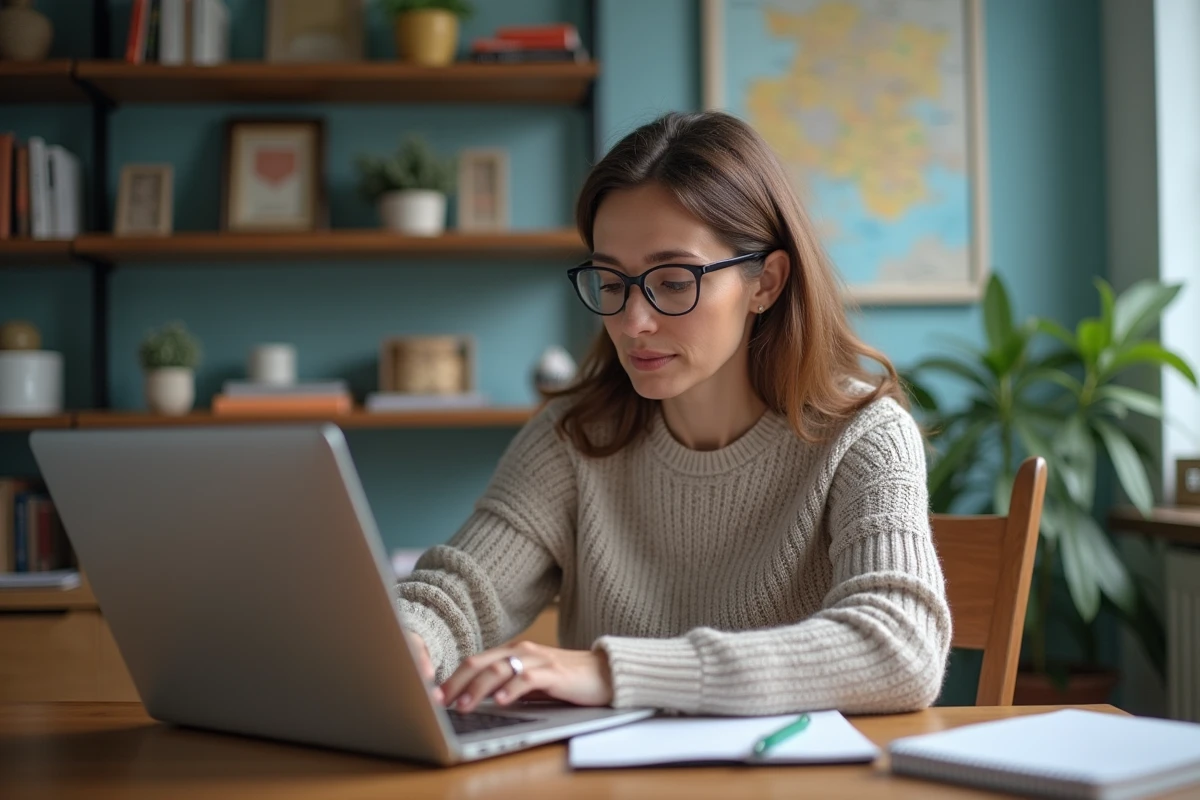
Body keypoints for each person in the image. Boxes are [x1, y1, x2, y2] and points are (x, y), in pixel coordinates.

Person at [395, 111, 952, 717]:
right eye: (611, 281)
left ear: (765, 282)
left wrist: (613, 672)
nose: (633, 321)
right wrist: (410, 639)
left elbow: (902, 647)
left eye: (674, 279)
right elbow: (460, 591)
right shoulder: (573, 437)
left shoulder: (865, 436)